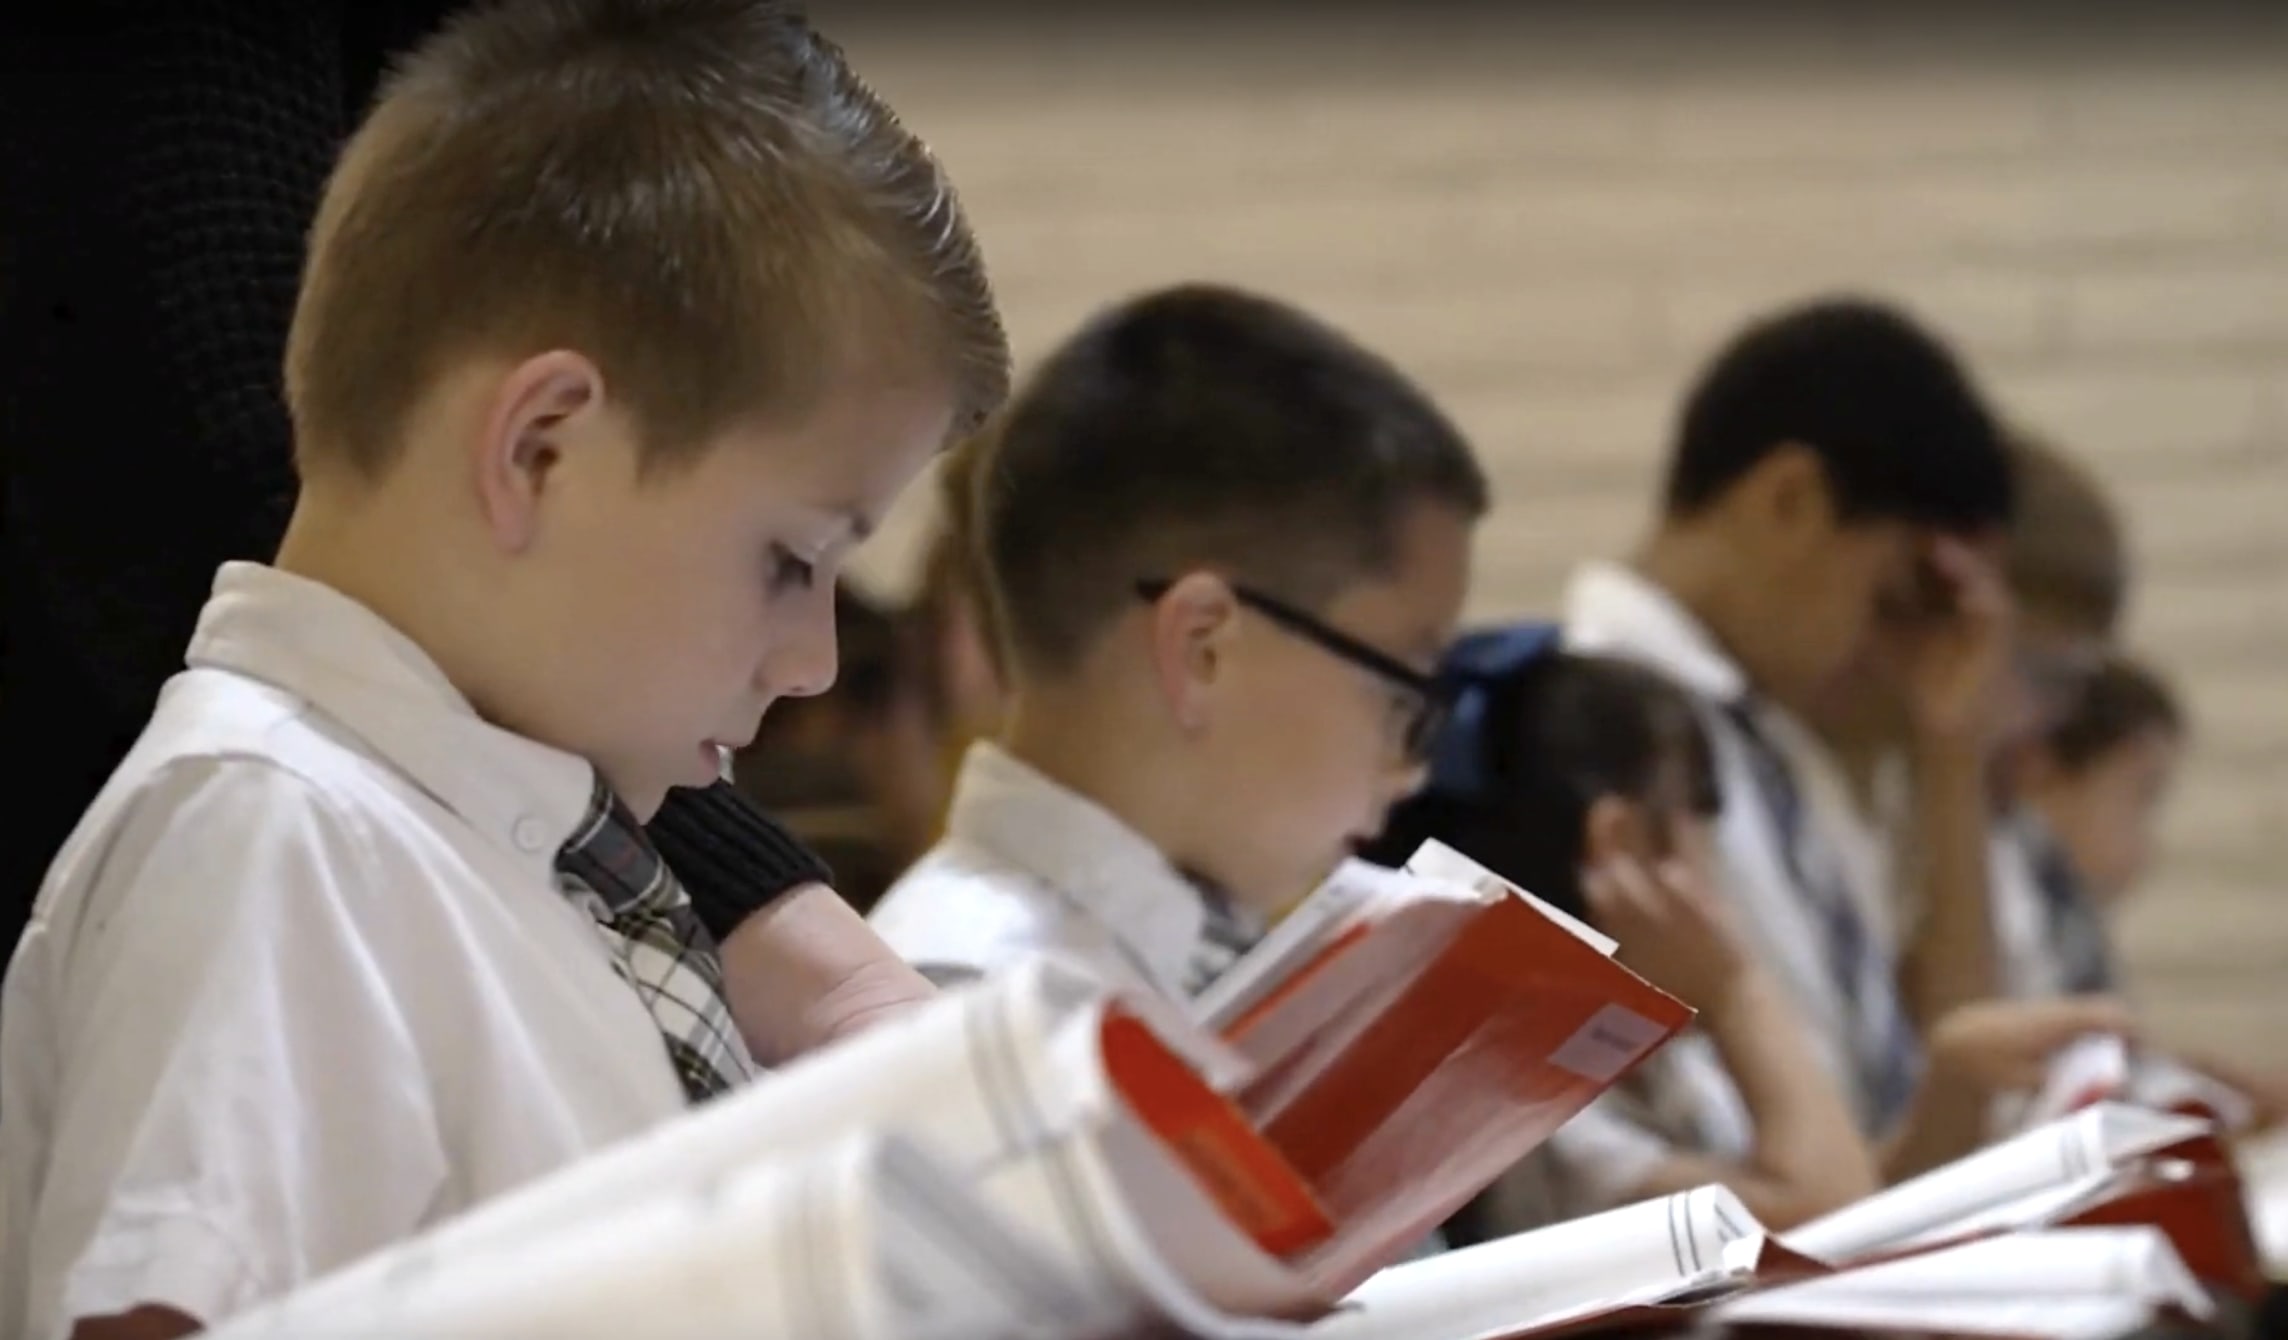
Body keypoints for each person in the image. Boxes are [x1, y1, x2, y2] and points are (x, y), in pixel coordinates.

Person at [0, 3, 1008, 1336]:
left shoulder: (496, 846)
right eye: (790, 558)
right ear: (540, 448)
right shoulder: (271, 841)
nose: (816, 663)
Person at [1560, 298, 2125, 1179]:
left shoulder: (1778, 748)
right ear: (1790, 500)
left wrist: (1952, 754)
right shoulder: (1594, 728)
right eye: (1891, 601)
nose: (1899, 654)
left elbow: (1949, 1071)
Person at [869, 282, 1489, 1000]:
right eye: (1403, 693)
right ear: (1203, 648)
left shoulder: (1181, 954)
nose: (1409, 771)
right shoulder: (972, 1002)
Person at [1364, 627, 1880, 1236]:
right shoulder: (1523, 1095)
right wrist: (1741, 993)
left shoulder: (1649, 1048)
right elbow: (1834, 1220)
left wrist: (1955, 1096)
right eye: (1702, 811)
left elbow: (1834, 1168)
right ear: (1624, 842)